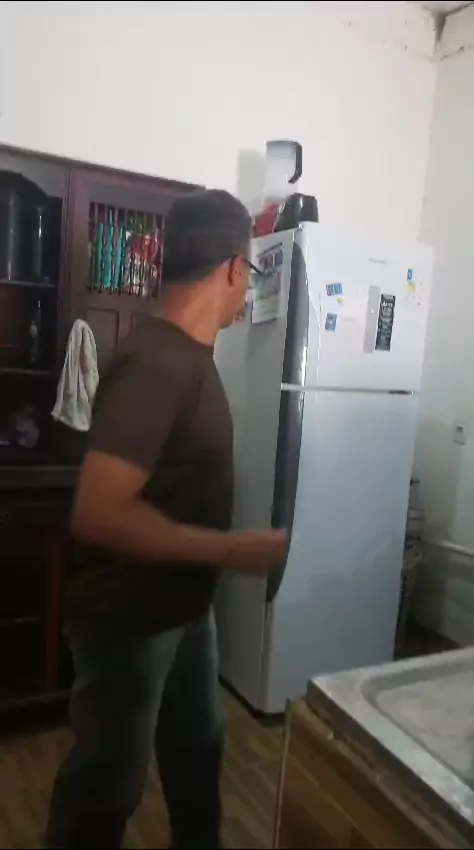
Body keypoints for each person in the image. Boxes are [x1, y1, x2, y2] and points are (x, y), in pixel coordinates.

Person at [45, 189, 287, 850]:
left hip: (182, 611)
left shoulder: (188, 356)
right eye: (250, 273)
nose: (247, 289)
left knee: (197, 750)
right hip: (129, 620)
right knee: (106, 788)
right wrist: (227, 550)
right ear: (233, 268)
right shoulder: (159, 362)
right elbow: (98, 513)